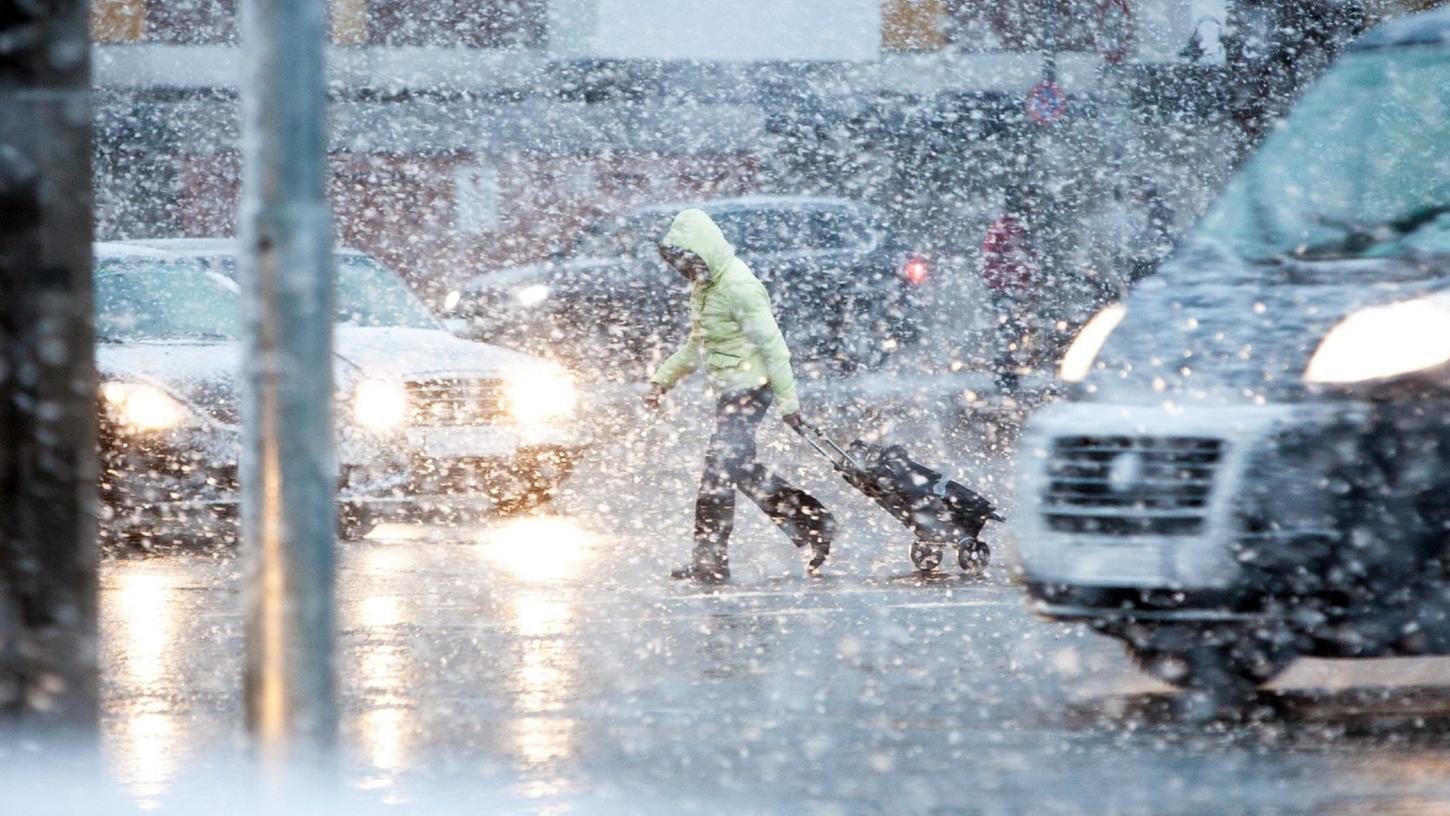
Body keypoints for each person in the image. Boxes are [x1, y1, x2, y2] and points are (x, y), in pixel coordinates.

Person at [643, 208, 836, 584]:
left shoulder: (738, 286)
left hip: (752, 390)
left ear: (704, 251)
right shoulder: (705, 286)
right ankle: (813, 523)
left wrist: (788, 404)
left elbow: (774, 347)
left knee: (716, 475)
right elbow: (698, 345)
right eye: (680, 264)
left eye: (689, 261)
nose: (684, 271)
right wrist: (661, 381)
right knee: (739, 469)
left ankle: (710, 563)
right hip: (729, 392)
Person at [980, 187, 1043, 390]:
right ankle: (1006, 370)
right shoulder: (1011, 228)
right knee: (1009, 329)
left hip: (1011, 286)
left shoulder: (1011, 227)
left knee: (1009, 330)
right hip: (1009, 287)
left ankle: (1007, 368)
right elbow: (996, 258)